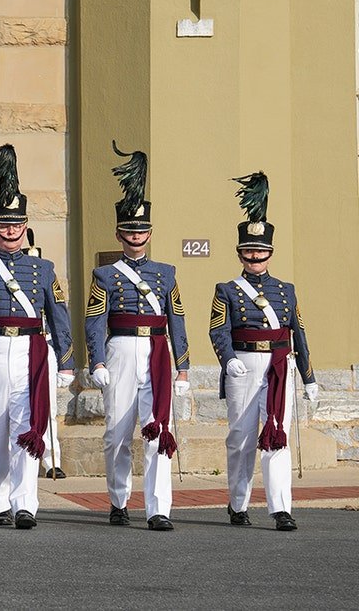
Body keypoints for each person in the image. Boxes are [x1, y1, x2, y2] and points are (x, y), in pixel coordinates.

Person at [0, 144, 75, 529]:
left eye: (16, 225)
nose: (10, 231)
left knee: (28, 424)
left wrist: (67, 361)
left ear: (25, 226)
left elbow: (59, 315)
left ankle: (25, 502)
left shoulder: (43, 268)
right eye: (4, 225)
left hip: (30, 350)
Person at [85, 142, 190, 531]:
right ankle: (118, 500)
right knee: (117, 432)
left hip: (158, 352)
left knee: (157, 429)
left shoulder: (166, 272)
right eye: (129, 230)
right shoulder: (106, 275)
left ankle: (158, 508)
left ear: (150, 232)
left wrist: (184, 368)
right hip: (120, 351)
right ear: (118, 232)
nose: (136, 236)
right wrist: (96, 360)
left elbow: (177, 319)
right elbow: (94, 319)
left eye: (142, 229)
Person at [209, 171, 316, 531]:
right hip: (243, 364)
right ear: (240, 252)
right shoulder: (227, 289)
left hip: (278, 367)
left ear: (270, 253)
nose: (255, 256)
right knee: (240, 438)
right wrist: (229, 361)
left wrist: (309, 378)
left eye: (261, 251)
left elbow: (297, 332)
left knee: (276, 435)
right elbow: (217, 329)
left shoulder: (286, 289)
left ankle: (280, 508)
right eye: (249, 251)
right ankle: (237, 503)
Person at [25, 230, 66, 479]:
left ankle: (51, 460)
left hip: (43, 344)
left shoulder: (44, 278)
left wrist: (64, 358)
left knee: (48, 406)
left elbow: (57, 314)